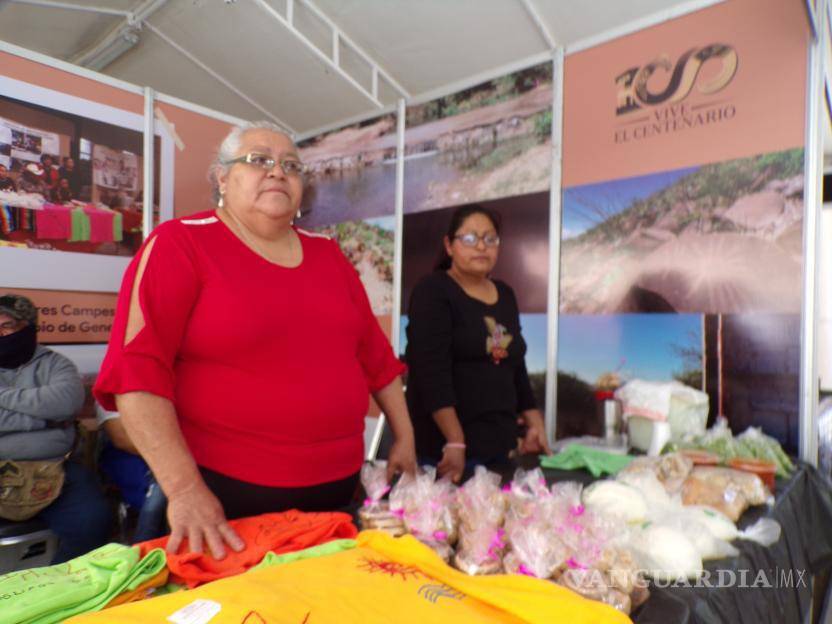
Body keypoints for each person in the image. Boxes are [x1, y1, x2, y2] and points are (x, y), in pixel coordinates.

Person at [94, 121, 417, 560]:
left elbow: (376, 358)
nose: (277, 172)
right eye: (259, 160)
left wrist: (405, 434)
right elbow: (136, 375)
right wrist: (185, 489)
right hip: (222, 507)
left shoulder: (330, 257)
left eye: (291, 165)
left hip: (338, 499)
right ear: (222, 178)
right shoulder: (180, 243)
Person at [405, 204, 551, 483]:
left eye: (490, 238)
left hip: (500, 448)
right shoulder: (433, 291)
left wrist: (534, 423)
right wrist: (455, 440)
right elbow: (430, 373)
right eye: (470, 238)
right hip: (448, 453)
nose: (481, 246)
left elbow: (515, 366)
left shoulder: (505, 294)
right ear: (449, 245)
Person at [0, 294, 111, 562]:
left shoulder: (56, 364)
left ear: (29, 327)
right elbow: (56, 413)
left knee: (93, 521)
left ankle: (53, 587)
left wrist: (2, 397)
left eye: (7, 326)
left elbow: (66, 403)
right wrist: (44, 420)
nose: (1, 333)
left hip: (54, 467)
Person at [95, 403, 167, 542]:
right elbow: (121, 439)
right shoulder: (117, 385)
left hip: (176, 453)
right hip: (131, 454)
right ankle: (145, 551)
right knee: (158, 499)